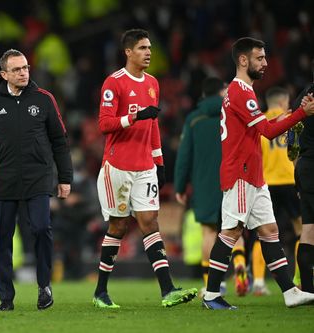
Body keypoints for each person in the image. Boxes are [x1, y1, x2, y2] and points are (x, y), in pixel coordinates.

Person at [202, 37, 314, 310]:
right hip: (240, 173)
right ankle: (211, 295)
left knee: (270, 230)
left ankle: (289, 292)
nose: (265, 63)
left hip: (254, 174)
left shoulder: (242, 92)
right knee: (230, 232)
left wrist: (284, 116)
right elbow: (267, 132)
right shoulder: (241, 91)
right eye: (260, 58)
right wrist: (301, 113)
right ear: (243, 60)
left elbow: (257, 127)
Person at [92, 28, 197, 309]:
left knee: (150, 222)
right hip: (117, 166)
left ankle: (167, 290)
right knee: (118, 225)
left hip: (145, 167)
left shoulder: (153, 83)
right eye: (142, 48)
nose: (148, 52)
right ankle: (100, 291)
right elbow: (104, 125)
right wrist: (134, 116)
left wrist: (159, 162)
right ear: (128, 52)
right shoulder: (114, 83)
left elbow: (153, 128)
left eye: (149, 47)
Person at [0, 49, 73, 311]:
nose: (23, 72)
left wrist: (65, 178)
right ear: (4, 74)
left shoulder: (44, 99)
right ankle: (6, 298)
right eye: (17, 70)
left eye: (25, 67)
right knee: (2, 240)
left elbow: (60, 141)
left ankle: (44, 286)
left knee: (40, 229)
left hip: (38, 178)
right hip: (4, 181)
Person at [174, 77, 226, 295]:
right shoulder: (231, 113)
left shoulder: (194, 119)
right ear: (221, 91)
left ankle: (211, 285)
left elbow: (184, 155)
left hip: (203, 183)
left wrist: (180, 186)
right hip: (231, 179)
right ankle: (242, 268)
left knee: (208, 232)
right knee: (235, 231)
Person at [254, 86, 303, 295]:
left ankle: (257, 282)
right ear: (284, 101)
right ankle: (299, 279)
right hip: (289, 181)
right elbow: (295, 155)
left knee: (262, 233)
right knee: (303, 230)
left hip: (266, 183)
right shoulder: (292, 122)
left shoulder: (259, 124)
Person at [294, 59, 314, 293]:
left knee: (308, 229)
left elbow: (291, 140)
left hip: (305, 166)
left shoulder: (303, 95)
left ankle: (308, 290)